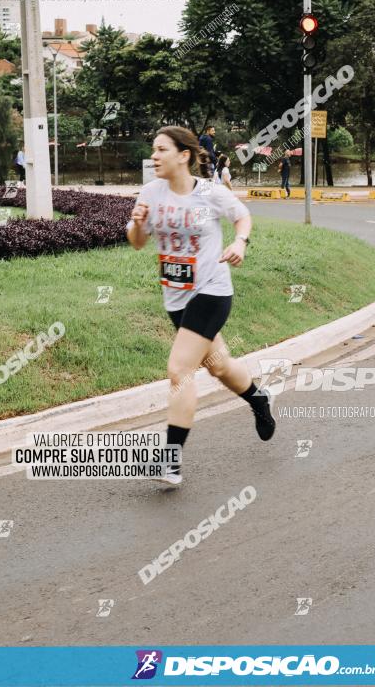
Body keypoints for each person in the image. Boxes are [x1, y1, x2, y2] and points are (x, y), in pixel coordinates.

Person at [126, 126, 275, 486]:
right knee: (219, 366)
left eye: (161, 149)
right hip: (175, 296)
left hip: (211, 292)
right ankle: (259, 399)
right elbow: (136, 242)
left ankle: (170, 462)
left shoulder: (210, 193)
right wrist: (138, 222)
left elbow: (242, 216)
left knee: (180, 370)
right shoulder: (150, 192)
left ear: (184, 155)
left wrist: (240, 243)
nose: (154, 156)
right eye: (153, 150)